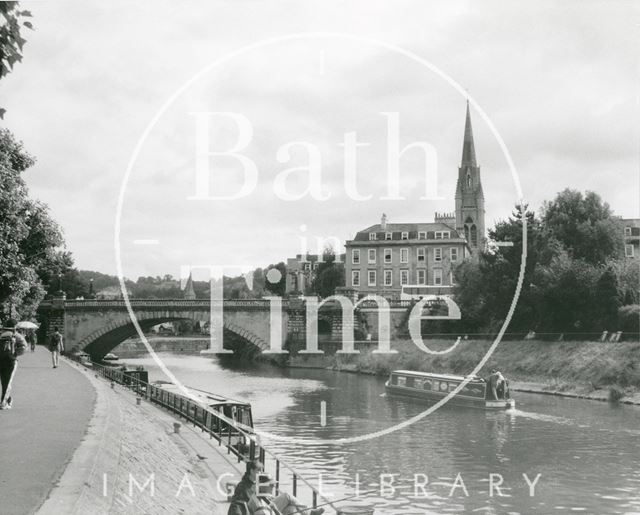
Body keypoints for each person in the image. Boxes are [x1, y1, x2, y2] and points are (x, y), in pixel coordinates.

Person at [228, 460, 324, 515]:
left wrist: (270, 499)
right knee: (287, 496)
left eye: (261, 470)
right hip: (261, 511)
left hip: (265, 507)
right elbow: (244, 504)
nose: (261, 472)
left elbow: (262, 497)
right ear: (251, 471)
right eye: (258, 470)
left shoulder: (253, 482)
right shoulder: (245, 486)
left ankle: (308, 512)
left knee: (292, 509)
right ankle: (310, 512)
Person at [0, 319, 28, 410]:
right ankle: (3, 403)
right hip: (11, 361)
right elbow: (24, 347)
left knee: (3, 381)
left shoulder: (1, 334)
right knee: (8, 382)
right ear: (14, 326)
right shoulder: (16, 335)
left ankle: (6, 399)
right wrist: (15, 354)